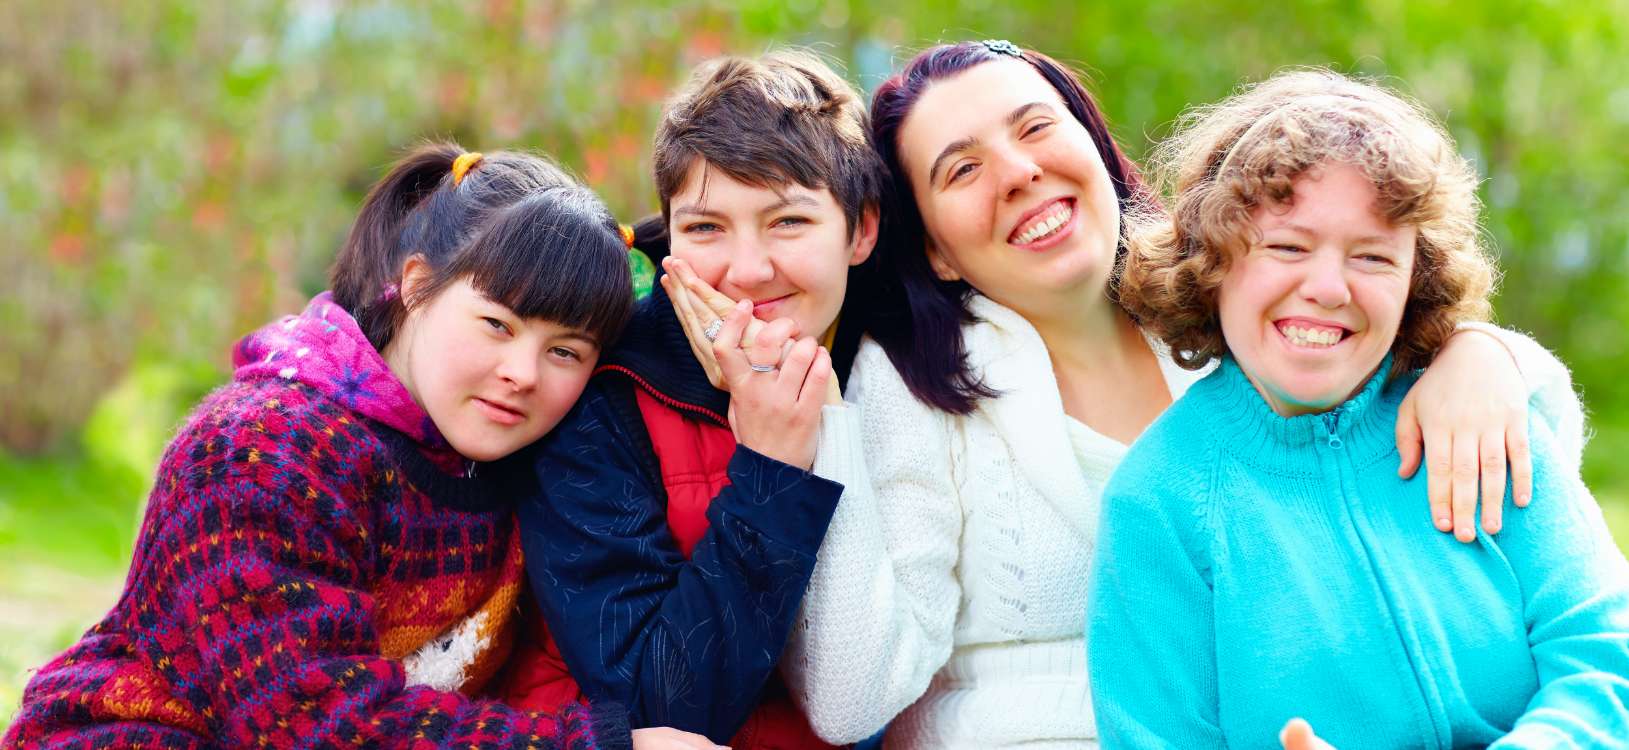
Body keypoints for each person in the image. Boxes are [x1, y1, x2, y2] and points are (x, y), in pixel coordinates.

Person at [780, 42, 1582, 748]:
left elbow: (1548, 536)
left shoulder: (1243, 306)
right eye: (962, 168)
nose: (1018, 171)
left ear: (1094, 150)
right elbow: (851, 698)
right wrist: (825, 431)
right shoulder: (914, 382)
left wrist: (1480, 352)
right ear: (937, 252)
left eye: (1033, 129)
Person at [2, 141, 715, 749]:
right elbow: (317, 727)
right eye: (497, 324)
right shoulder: (262, 452)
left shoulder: (509, 459)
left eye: (565, 351)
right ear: (414, 287)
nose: (521, 374)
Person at [1088, 69, 1629, 748]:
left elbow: (1607, 654)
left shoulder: (1478, 419)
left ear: (1415, 279)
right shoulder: (1158, 500)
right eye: (1286, 246)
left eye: (1373, 257)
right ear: (1213, 260)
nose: (1326, 287)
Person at [499, 51, 880, 748]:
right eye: (705, 228)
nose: (746, 271)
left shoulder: (903, 363)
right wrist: (771, 466)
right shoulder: (597, 398)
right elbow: (661, 713)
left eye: (788, 222)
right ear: (669, 234)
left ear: (860, 231)